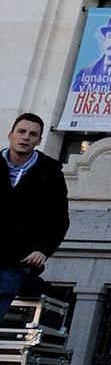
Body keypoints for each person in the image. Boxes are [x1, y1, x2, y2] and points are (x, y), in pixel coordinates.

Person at [0, 113, 67, 304]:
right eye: (21, 131)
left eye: (32, 134)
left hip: (15, 263)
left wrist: (43, 250)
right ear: (10, 134)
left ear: (39, 140)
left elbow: (59, 219)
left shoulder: (50, 172)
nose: (25, 137)